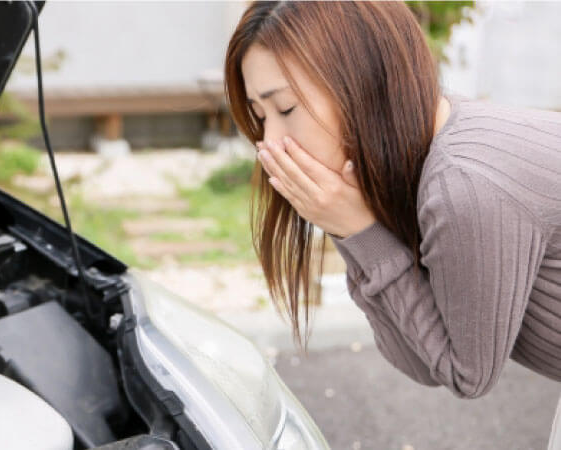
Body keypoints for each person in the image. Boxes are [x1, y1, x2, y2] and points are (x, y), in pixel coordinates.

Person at [224, 0, 561, 445]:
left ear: (363, 85)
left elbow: (466, 374)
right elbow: (424, 360)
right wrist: (356, 230)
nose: (269, 145)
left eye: (285, 109)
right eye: (260, 117)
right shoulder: (429, 146)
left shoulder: (462, 185)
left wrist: (361, 233)